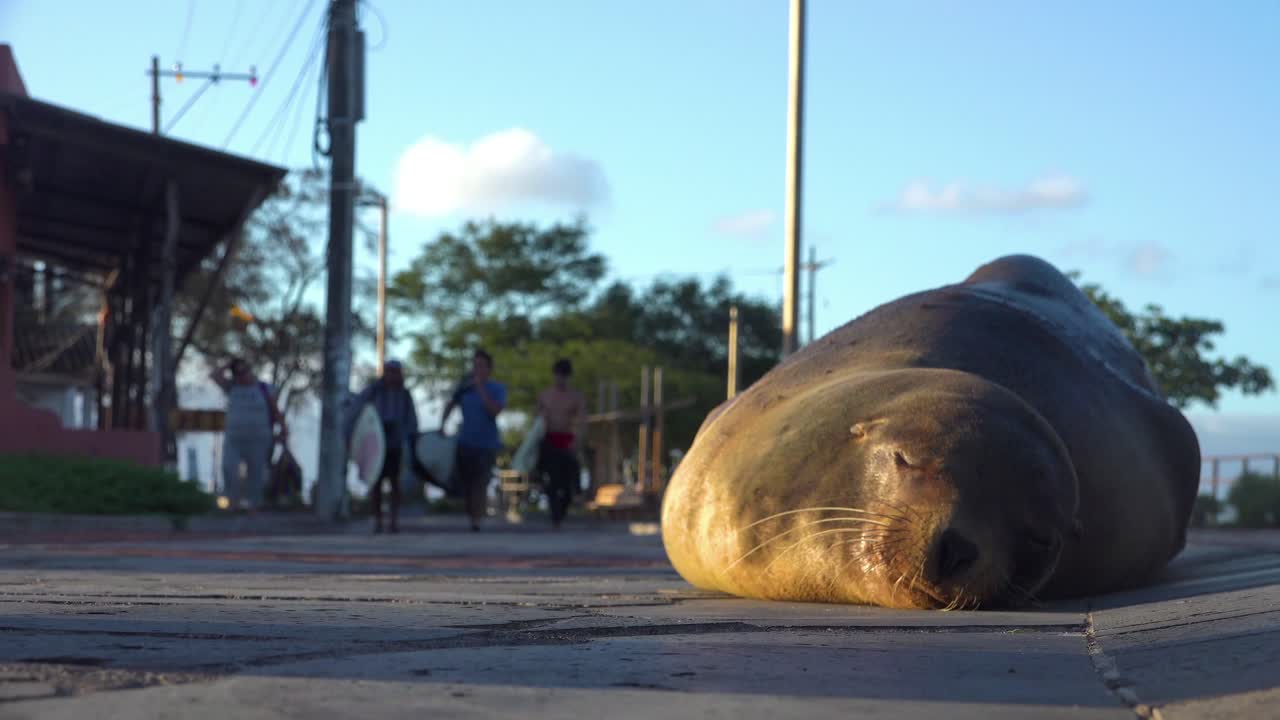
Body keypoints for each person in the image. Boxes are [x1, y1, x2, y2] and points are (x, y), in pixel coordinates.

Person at [350, 360, 419, 534]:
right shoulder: (373, 391)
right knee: (376, 482)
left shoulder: (404, 394)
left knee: (395, 482)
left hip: (395, 444)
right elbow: (358, 409)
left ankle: (393, 521)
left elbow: (411, 420)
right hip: (375, 445)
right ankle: (378, 520)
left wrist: (410, 438)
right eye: (389, 371)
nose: (392, 375)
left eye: (395, 372)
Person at [441, 349, 506, 531]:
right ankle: (472, 516)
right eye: (475, 366)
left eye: (482, 366)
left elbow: (494, 411)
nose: (478, 369)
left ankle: (477, 519)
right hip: (465, 441)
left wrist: (480, 389)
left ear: (489, 369)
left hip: (487, 443)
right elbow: (451, 404)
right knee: (467, 483)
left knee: (481, 481)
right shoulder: (465, 387)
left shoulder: (497, 388)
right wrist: (442, 425)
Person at [210, 357, 287, 512]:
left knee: (256, 474)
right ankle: (231, 504)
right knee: (228, 468)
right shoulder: (232, 387)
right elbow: (214, 375)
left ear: (250, 371)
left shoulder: (264, 388)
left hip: (259, 439)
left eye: (244, 371)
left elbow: (275, 410)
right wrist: (229, 364)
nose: (242, 375)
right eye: (238, 373)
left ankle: (254, 506)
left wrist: (284, 430)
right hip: (234, 438)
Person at [535, 358, 586, 530]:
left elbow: (582, 422)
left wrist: (577, 441)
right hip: (549, 440)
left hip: (567, 440)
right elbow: (537, 420)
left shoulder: (575, 397)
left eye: (564, 375)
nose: (560, 379)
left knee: (568, 482)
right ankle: (554, 515)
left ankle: (562, 511)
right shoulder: (545, 395)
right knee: (551, 481)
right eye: (558, 375)